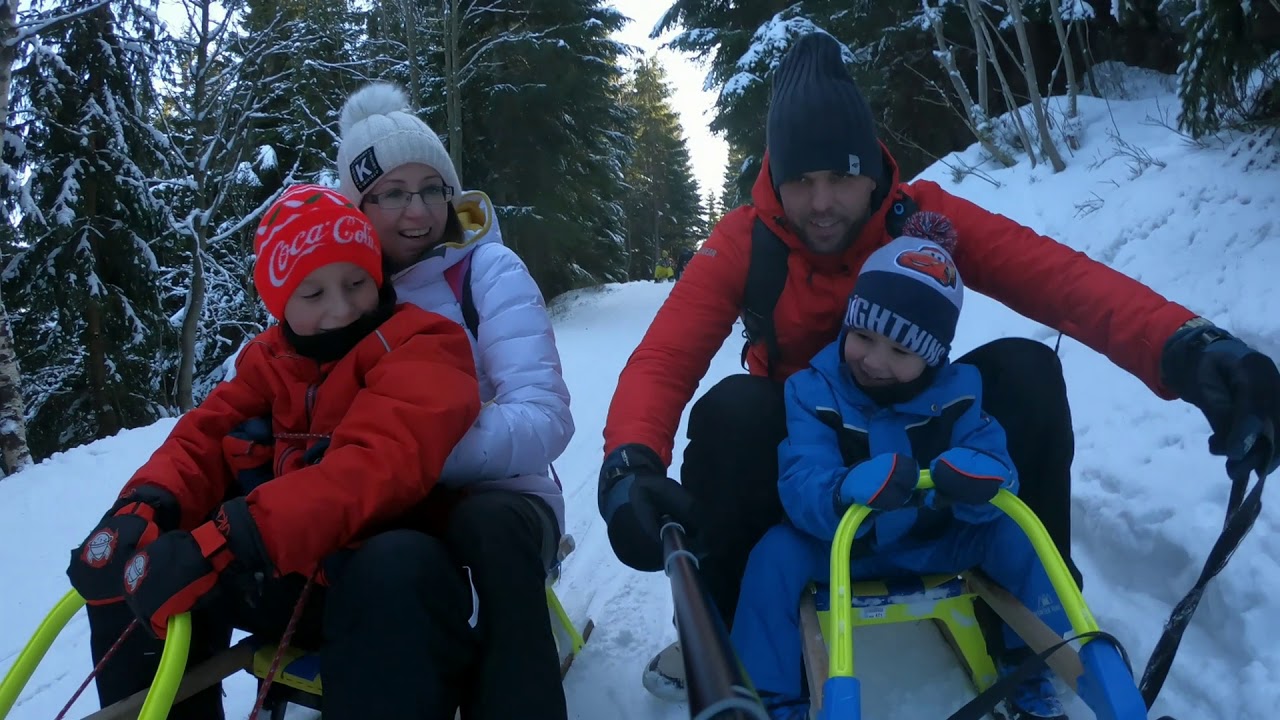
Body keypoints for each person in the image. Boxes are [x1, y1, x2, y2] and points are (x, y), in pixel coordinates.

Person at [596, 30, 1280, 700]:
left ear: (872, 171)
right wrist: (630, 462)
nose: (822, 202)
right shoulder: (747, 241)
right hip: (809, 450)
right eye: (802, 180)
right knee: (732, 411)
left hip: (924, 437)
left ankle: (1033, 606)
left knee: (1027, 368)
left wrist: (1187, 345)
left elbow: (1061, 280)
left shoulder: (921, 223)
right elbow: (666, 357)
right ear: (776, 177)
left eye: (841, 176)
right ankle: (723, 623)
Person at [66, 184, 484, 719]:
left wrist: (233, 536)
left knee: (396, 564)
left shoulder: (424, 342)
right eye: (312, 294)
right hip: (290, 577)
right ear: (280, 302)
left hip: (385, 587)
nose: (340, 310)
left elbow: (379, 461)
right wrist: (145, 506)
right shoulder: (268, 360)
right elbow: (204, 437)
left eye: (356, 283)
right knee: (141, 576)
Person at [732, 236, 1072, 720]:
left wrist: (980, 481)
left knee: (1014, 532)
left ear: (932, 356)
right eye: (863, 336)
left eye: (900, 349)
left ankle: (1033, 662)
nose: (874, 360)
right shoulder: (813, 391)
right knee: (774, 556)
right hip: (842, 549)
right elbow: (801, 475)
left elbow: (993, 457)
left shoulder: (959, 393)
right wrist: (841, 489)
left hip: (937, 541)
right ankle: (766, 695)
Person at [335, 81, 575, 720]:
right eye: (392, 194)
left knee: (486, 527)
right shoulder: (339, 292)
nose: (417, 211)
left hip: (506, 499)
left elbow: (545, 415)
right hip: (388, 507)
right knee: (378, 559)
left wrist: (407, 455)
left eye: (432, 189)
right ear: (356, 206)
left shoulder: (486, 270)